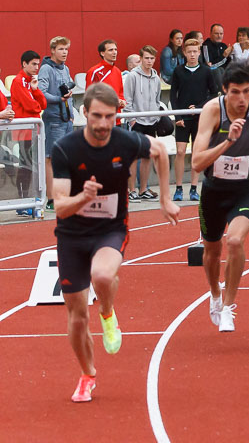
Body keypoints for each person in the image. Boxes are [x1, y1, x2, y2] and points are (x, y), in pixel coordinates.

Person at [51, 82, 179, 402]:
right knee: (78, 317)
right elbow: (60, 206)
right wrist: (84, 196)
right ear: (85, 113)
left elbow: (160, 150)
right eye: (97, 116)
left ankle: (107, 312)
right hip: (71, 235)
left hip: (111, 229)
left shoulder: (124, 140)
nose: (103, 124)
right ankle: (87, 374)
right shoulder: (66, 149)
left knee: (104, 275)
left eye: (110, 116)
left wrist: (164, 198)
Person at [190, 63, 249, 331]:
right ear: (224, 90)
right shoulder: (212, 110)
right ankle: (215, 294)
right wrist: (228, 141)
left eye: (247, 92)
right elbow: (196, 162)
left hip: (244, 190)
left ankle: (228, 305)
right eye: (236, 92)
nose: (241, 99)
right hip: (214, 192)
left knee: (236, 241)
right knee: (212, 252)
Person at [169, 39, 218, 202]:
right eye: (189, 51)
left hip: (200, 118)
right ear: (184, 52)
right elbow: (173, 95)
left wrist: (198, 106)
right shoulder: (178, 71)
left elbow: (213, 94)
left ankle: (194, 188)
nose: (192, 54)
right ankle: (178, 188)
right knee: (181, 152)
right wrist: (178, 116)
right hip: (183, 119)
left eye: (195, 51)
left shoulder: (206, 71)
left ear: (199, 52)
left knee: (196, 153)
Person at [123, 46, 165, 202]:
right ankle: (132, 190)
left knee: (147, 156)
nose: (149, 61)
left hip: (151, 121)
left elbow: (157, 98)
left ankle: (143, 189)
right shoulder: (132, 76)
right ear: (141, 59)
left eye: (152, 58)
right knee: (134, 157)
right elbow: (128, 99)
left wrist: (155, 116)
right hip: (136, 120)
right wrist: (132, 120)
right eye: (146, 58)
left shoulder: (155, 77)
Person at [38, 36, 74, 212]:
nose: (64, 52)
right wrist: (59, 99)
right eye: (61, 49)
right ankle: (52, 198)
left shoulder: (65, 68)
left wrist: (72, 114)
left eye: (66, 49)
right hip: (53, 120)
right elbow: (41, 93)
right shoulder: (46, 69)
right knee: (51, 158)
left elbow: (68, 93)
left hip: (66, 119)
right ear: (52, 50)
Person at [11, 50, 47, 216]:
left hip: (33, 129)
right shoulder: (18, 81)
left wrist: (35, 89)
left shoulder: (29, 82)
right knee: (26, 166)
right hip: (23, 130)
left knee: (32, 166)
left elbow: (42, 104)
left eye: (37, 64)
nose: (36, 67)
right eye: (33, 64)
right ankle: (22, 201)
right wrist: (36, 103)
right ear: (24, 64)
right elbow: (32, 107)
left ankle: (28, 199)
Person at [87, 39, 126, 112]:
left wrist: (122, 101)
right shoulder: (94, 71)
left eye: (115, 49)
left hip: (116, 117)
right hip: (101, 117)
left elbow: (120, 93)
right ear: (102, 53)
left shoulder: (117, 71)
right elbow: (89, 96)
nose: (114, 52)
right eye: (110, 50)